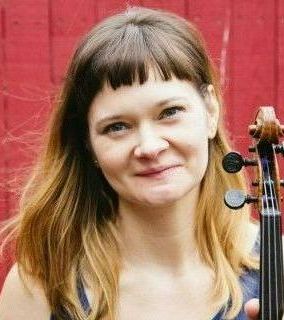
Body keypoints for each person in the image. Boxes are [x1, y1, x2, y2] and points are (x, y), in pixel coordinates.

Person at [0, 6, 268, 320]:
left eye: (169, 113)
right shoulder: (42, 289)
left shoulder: (276, 266)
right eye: (117, 127)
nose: (149, 146)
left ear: (210, 111)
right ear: (88, 145)